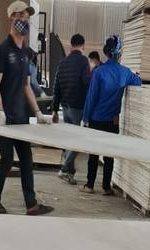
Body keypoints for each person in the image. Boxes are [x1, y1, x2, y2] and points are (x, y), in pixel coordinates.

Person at [0, 1, 53, 216]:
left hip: (21, 116)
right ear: (11, 18)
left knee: (26, 161)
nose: (23, 21)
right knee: (7, 160)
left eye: (26, 17)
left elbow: (26, 86)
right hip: (5, 117)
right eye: (20, 16)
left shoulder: (26, 52)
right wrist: (0, 112)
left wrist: (38, 113)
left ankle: (31, 204)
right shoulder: (1, 50)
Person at [81, 35, 141, 196]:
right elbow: (139, 82)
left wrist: (85, 118)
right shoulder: (125, 73)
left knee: (93, 155)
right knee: (109, 156)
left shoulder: (99, 72)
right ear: (119, 53)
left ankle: (89, 185)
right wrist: (136, 74)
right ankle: (106, 187)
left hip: (96, 119)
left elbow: (91, 97)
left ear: (106, 52)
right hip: (112, 121)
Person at [51, 33, 90, 185]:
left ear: (70, 45)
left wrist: (55, 110)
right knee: (78, 140)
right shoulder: (83, 61)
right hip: (77, 106)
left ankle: (69, 172)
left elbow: (56, 87)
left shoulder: (63, 62)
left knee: (69, 139)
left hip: (65, 106)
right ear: (83, 46)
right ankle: (65, 168)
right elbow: (86, 82)